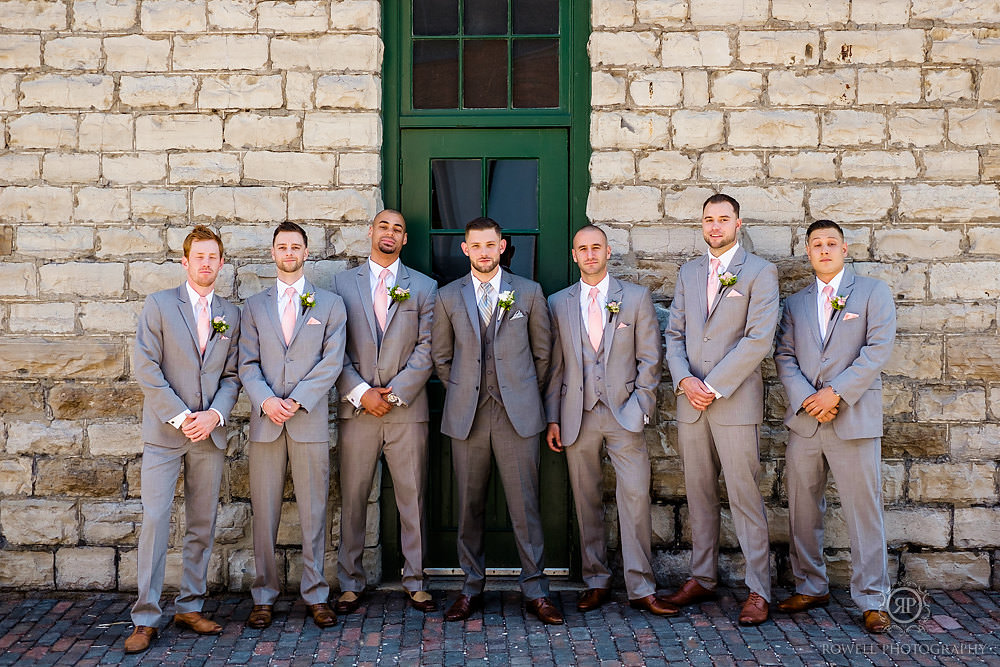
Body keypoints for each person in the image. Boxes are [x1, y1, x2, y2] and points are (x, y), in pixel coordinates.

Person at [431, 217, 562, 625]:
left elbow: (545, 355)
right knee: (469, 508)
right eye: (476, 245)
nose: (484, 252)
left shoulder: (528, 292)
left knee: (526, 508)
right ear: (465, 249)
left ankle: (536, 590)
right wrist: (466, 388)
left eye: (491, 244)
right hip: (467, 416)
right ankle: (470, 588)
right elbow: (441, 357)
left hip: (517, 416)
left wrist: (518, 390)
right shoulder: (448, 296)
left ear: (502, 246)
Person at [545, 225, 676, 616]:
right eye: (582, 249)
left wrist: (640, 406)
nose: (589, 254)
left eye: (596, 247)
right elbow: (555, 367)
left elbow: (651, 359)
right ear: (574, 255)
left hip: (624, 413)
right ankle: (596, 580)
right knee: (586, 500)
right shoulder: (558, 303)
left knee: (634, 496)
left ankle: (641, 586)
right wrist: (553, 417)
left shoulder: (634, 298)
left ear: (608, 251)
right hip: (576, 415)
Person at [773, 219, 895, 634]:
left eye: (831, 243)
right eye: (816, 244)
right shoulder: (794, 303)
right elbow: (784, 357)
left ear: (845, 249)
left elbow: (878, 348)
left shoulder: (873, 292)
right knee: (802, 509)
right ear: (807, 252)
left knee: (865, 512)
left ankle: (873, 599)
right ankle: (811, 584)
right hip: (806, 421)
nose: (823, 249)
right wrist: (811, 400)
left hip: (854, 419)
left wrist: (836, 393)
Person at [663, 193, 780, 626]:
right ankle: (702, 576)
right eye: (708, 220)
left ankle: (758, 589)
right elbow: (673, 333)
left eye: (723, 219)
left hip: (732, 400)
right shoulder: (689, 273)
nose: (715, 227)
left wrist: (712, 385)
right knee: (698, 494)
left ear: (738, 223)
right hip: (690, 402)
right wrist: (684, 381)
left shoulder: (760, 273)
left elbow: (758, 340)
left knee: (745, 495)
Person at [126, 226, 241, 653]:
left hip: (209, 435)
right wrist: (181, 416)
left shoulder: (232, 312)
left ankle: (190, 605)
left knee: (201, 524)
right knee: (156, 520)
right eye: (199, 257)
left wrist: (213, 415)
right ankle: (145, 617)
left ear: (222, 262)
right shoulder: (158, 306)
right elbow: (147, 367)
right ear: (185, 261)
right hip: (165, 433)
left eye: (213, 257)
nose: (206, 263)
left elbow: (232, 376)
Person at [239, 222, 346, 630]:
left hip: (308, 420)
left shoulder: (330, 305)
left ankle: (316, 594)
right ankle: (263, 595)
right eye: (282, 246)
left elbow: (332, 362)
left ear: (306, 253)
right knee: (263, 513)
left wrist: (297, 399)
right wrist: (267, 400)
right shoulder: (253, 307)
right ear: (272, 253)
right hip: (266, 423)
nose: (289, 252)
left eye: (295, 246)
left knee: (314, 511)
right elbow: (246, 363)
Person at [332, 209, 438, 614]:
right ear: (371, 232)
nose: (389, 233)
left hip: (406, 411)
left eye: (397, 228)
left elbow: (428, 348)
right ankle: (350, 582)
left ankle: (416, 580)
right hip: (357, 411)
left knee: (412, 497)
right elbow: (332, 349)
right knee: (354, 496)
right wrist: (360, 392)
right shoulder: (341, 285)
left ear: (405, 239)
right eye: (383, 226)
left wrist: (393, 395)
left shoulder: (424, 287)